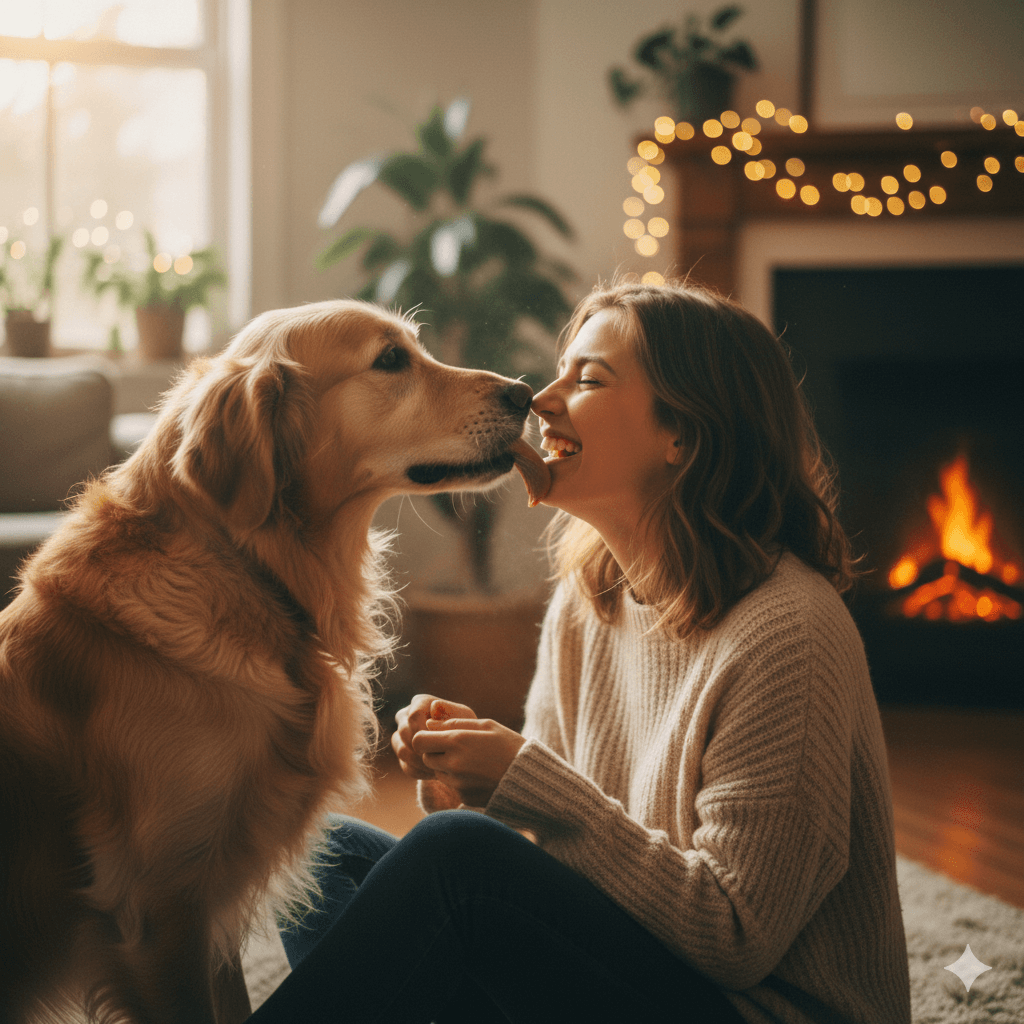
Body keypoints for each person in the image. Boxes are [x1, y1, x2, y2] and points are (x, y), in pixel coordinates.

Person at [249, 280, 912, 1023]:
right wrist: (466, 788)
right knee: (322, 849)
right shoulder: (590, 599)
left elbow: (735, 938)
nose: (542, 399)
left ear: (683, 436)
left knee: (457, 860)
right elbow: (548, 851)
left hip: (749, 1009)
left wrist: (519, 782)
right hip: (631, 973)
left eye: (588, 378)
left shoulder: (790, 632)